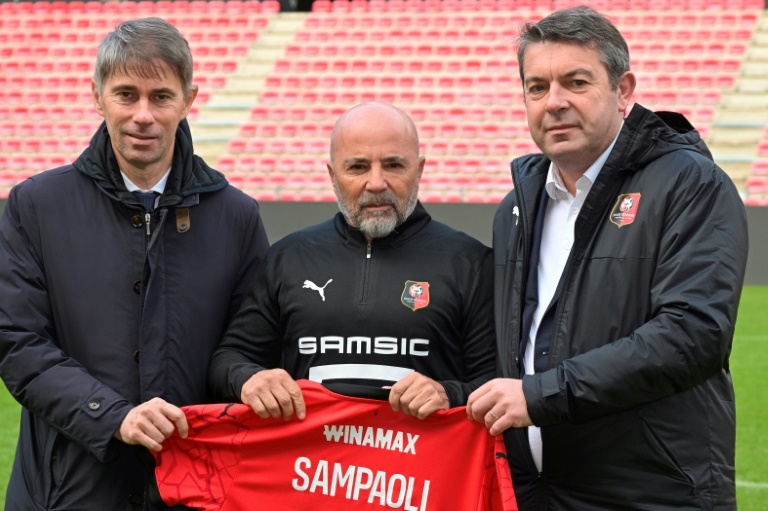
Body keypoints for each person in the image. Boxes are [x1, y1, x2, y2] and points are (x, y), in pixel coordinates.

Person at [466, 6, 748, 510]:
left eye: (576, 82)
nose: (554, 103)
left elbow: (692, 335)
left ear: (623, 91)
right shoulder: (517, 206)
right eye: (537, 87)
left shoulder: (689, 183)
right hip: (538, 494)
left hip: (651, 495)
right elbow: (514, 354)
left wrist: (539, 397)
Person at [0, 18, 269, 510]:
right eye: (126, 94)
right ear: (98, 95)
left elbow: (248, 347)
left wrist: (248, 377)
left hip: (194, 492)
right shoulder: (35, 206)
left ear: (188, 99)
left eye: (161, 97)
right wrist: (112, 416)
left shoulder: (237, 216)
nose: (143, 115)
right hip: (64, 494)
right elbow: (18, 344)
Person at [209, 102, 495, 422]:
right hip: (310, 468)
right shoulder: (289, 258)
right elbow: (228, 359)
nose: (376, 183)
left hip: (419, 469)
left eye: (394, 165)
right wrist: (249, 378)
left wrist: (449, 393)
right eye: (358, 167)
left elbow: (497, 381)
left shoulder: (470, 263)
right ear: (333, 175)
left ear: (420, 169)